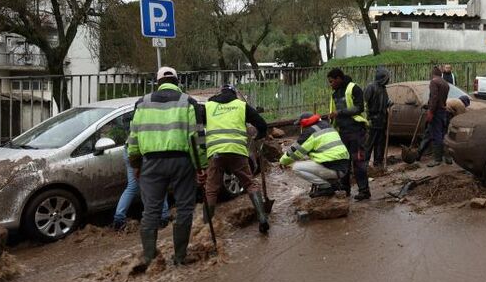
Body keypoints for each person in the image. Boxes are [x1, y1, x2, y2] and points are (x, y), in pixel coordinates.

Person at [127, 67, 207, 266]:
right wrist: (201, 167)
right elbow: (197, 138)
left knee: (151, 211)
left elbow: (133, 138)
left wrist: (136, 164)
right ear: (178, 82)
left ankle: (150, 258)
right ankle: (180, 258)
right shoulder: (189, 102)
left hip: (151, 164)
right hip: (182, 162)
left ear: (158, 82)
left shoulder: (141, 104)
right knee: (184, 209)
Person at [204, 84, 270, 234]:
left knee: (211, 189)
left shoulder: (208, 106)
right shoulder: (241, 106)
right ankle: (262, 218)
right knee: (249, 183)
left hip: (215, 152)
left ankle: (206, 228)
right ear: (234, 93)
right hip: (237, 152)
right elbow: (262, 124)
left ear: (220, 93)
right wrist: (259, 135)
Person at [113, 111, 169, 230]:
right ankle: (163, 216)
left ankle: (118, 219)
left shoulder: (139, 115)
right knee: (159, 184)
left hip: (130, 149)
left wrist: (135, 164)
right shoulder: (157, 119)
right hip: (145, 153)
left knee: (132, 187)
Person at [280, 113, 350, 197]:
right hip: (343, 167)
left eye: (300, 125)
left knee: (296, 167)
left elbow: (294, 152)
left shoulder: (309, 133)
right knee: (314, 159)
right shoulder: (327, 126)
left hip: (334, 170)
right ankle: (333, 183)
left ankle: (325, 187)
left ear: (304, 124)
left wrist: (282, 161)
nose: (300, 127)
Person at [327, 68, 371, 200]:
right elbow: (334, 112)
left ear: (339, 78)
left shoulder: (354, 88)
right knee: (344, 162)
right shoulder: (334, 94)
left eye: (331, 81)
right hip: (343, 132)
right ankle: (345, 189)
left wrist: (339, 113)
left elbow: (359, 108)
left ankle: (364, 191)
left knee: (358, 161)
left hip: (356, 131)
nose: (330, 84)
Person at [363, 66, 392, 167]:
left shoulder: (383, 88)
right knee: (369, 144)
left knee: (380, 144)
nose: (387, 80)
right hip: (373, 120)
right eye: (386, 78)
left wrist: (388, 103)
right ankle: (364, 164)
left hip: (382, 120)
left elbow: (384, 102)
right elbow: (365, 104)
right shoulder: (371, 87)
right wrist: (367, 118)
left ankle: (378, 162)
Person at [424, 66, 450, 167]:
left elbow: (434, 98)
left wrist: (430, 111)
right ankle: (447, 157)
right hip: (443, 111)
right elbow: (441, 98)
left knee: (436, 135)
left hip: (436, 112)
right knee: (443, 134)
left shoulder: (434, 82)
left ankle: (437, 159)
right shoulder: (445, 83)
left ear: (433, 74)